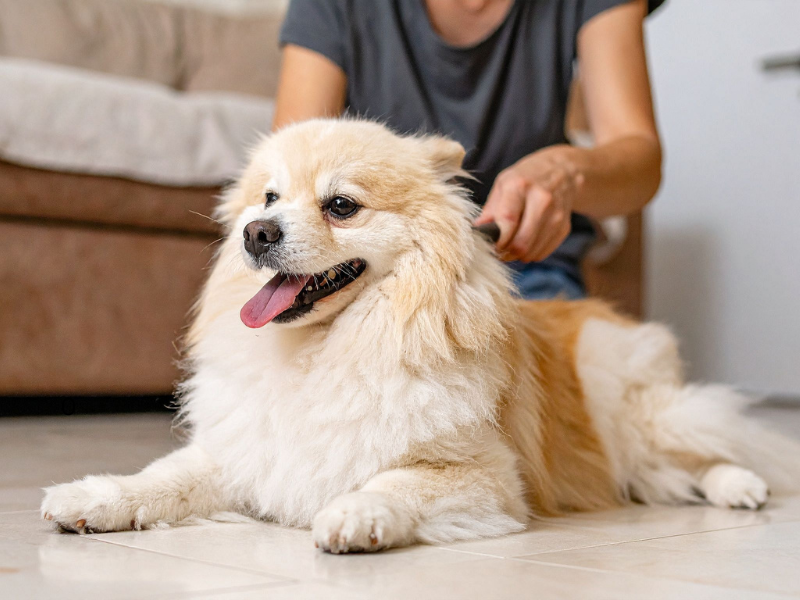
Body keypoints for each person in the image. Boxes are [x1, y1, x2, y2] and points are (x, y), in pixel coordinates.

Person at [274, 0, 664, 299]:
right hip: (375, 272)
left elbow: (640, 160)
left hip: (521, 266)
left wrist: (565, 171)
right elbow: (289, 170)